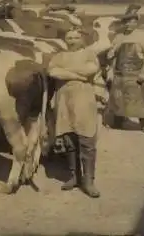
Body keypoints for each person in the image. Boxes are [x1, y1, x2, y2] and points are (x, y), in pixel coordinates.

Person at [47, 27, 101, 198]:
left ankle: (88, 181)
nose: (71, 40)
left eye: (75, 37)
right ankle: (73, 176)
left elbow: (90, 70)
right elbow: (52, 71)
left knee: (86, 138)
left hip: (84, 100)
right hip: (64, 101)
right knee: (68, 138)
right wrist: (77, 76)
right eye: (69, 37)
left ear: (82, 39)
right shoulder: (59, 56)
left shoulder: (89, 54)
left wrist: (66, 73)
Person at [106, 11, 144, 133]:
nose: (129, 24)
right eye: (127, 21)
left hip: (136, 71)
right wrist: (111, 53)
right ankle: (118, 120)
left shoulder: (143, 36)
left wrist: (143, 71)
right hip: (120, 72)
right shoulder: (119, 36)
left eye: (132, 21)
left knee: (140, 98)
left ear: (136, 22)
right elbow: (112, 54)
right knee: (118, 97)